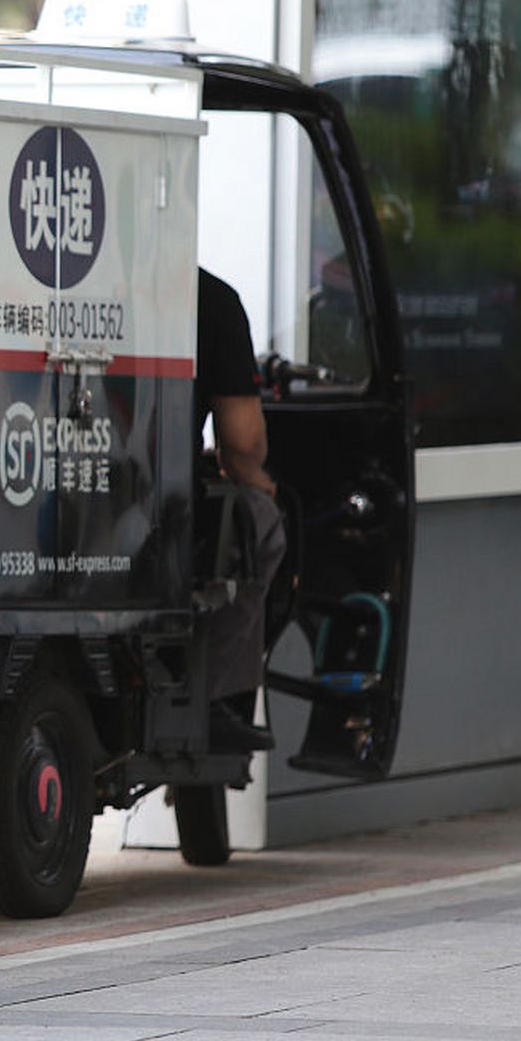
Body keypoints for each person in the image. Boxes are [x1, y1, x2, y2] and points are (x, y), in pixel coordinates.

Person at [196, 269, 287, 752]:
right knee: (259, 522)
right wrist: (257, 480)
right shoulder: (209, 298)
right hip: (158, 506)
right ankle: (216, 700)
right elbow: (243, 444)